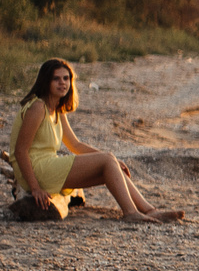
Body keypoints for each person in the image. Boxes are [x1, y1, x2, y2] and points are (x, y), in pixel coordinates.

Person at [11, 59, 185, 223]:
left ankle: (150, 210)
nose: (62, 83)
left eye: (66, 78)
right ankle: (131, 213)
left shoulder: (56, 109)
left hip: (47, 167)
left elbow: (75, 145)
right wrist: (35, 188)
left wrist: (114, 161)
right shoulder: (38, 107)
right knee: (108, 159)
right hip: (37, 170)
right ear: (45, 82)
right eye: (56, 79)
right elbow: (20, 150)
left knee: (111, 164)